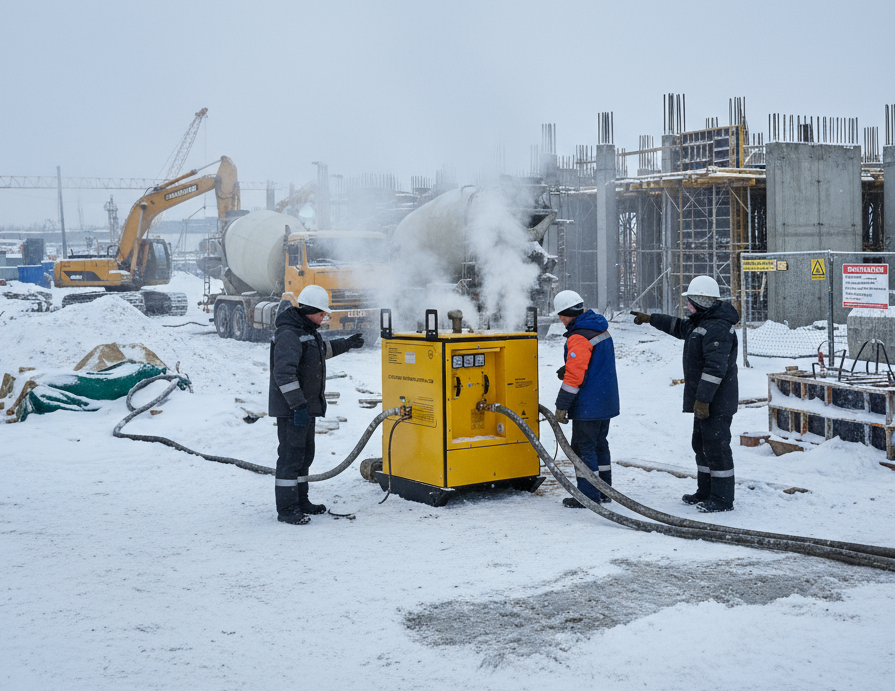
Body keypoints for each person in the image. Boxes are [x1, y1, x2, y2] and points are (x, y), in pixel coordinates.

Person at [631, 275, 739, 513]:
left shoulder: (717, 327)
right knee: (701, 445)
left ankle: (722, 499)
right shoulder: (702, 321)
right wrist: (651, 319)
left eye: (690, 301)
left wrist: (703, 400)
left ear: (701, 300)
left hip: (716, 403)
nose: (687, 306)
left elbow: (715, 370)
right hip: (705, 401)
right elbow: (679, 327)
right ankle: (706, 490)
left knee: (716, 447)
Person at [268, 285, 364, 525]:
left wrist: (348, 343)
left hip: (305, 409)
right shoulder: (289, 333)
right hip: (294, 410)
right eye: (322, 313)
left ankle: (301, 501)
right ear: (309, 310)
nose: (324, 317)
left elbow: (322, 351)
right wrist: (298, 406)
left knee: (304, 456)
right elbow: (284, 373)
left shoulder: (307, 330)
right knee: (290, 458)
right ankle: (287, 509)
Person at [552, 290, 620, 508]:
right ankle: (604, 489)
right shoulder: (599, 327)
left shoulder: (579, 336)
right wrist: (570, 366)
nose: (561, 321)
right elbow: (594, 362)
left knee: (583, 448)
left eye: (561, 317)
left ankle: (588, 495)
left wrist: (562, 406)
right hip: (605, 399)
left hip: (589, 403)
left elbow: (575, 377)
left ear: (567, 314)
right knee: (600, 444)